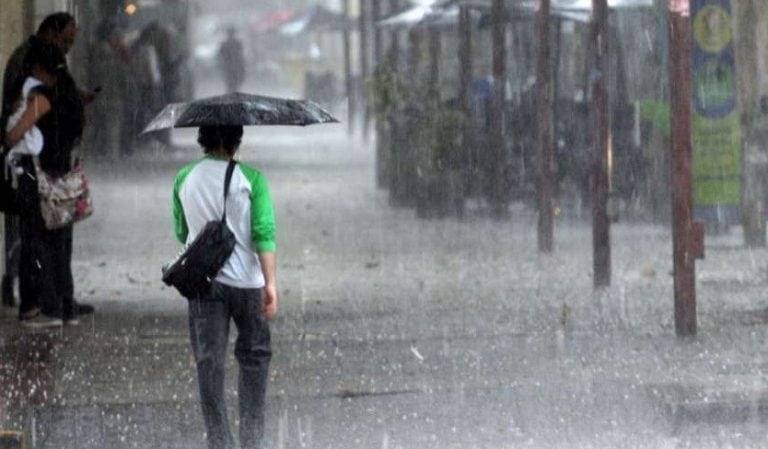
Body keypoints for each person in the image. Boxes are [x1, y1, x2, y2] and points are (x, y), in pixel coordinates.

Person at [172, 125, 277, 449]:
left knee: (210, 362)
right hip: (247, 283)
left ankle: (220, 442)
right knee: (255, 356)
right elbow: (264, 232)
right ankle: (252, 439)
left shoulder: (184, 178)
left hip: (205, 283)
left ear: (202, 139)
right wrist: (270, 282)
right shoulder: (252, 179)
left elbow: (181, 230)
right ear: (237, 140)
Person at [0, 12, 96, 316]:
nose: (68, 47)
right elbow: (14, 134)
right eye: (66, 40)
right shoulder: (34, 82)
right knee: (39, 237)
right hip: (36, 169)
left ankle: (56, 299)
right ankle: (39, 301)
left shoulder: (43, 83)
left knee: (50, 236)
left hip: (50, 167)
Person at [218, 27, 246, 93]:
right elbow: (240, 56)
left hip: (230, 67)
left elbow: (221, 56)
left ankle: (231, 95)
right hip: (233, 67)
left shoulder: (225, 44)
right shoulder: (237, 43)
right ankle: (232, 94)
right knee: (233, 84)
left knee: (231, 84)